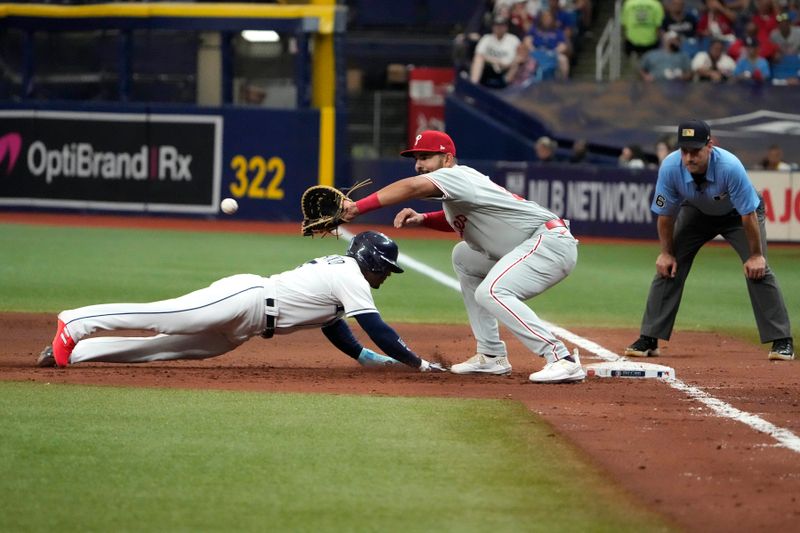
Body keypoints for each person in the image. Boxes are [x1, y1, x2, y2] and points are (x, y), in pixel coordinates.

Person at [341, 130, 585, 384]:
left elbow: (411, 187)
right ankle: (492, 355)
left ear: (447, 159)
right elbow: (460, 220)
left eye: (425, 157)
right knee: (463, 256)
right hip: (529, 246)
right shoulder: (456, 187)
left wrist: (358, 207)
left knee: (491, 291)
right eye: (416, 158)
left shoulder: (456, 176)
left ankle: (561, 359)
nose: (419, 165)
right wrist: (423, 219)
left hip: (548, 243)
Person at [39, 231, 446, 372]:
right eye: (385, 270)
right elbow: (377, 327)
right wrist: (419, 363)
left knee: (158, 350)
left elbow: (330, 319)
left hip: (248, 328)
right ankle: (75, 323)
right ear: (370, 262)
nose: (385, 278)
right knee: (167, 318)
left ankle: (77, 353)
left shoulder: (345, 277)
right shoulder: (350, 274)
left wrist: (359, 356)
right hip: (246, 299)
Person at [625, 119, 794, 362]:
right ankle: (650, 337)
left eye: (696, 151)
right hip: (696, 212)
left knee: (758, 269)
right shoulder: (671, 167)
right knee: (669, 267)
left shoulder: (729, 167)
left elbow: (748, 214)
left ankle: (782, 340)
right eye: (685, 151)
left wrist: (756, 256)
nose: (689, 157)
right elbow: (665, 215)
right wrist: (666, 252)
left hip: (738, 215)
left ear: (710, 146)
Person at [470, 16, 522, 89]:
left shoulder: (513, 40)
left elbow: (518, 57)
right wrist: (495, 61)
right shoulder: (487, 38)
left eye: (501, 26)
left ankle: (506, 89)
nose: (499, 28)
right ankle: (473, 86)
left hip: (505, 69)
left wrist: (507, 63)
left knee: (516, 63)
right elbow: (479, 54)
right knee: (478, 59)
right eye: (496, 25)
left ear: (506, 27)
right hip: (489, 67)